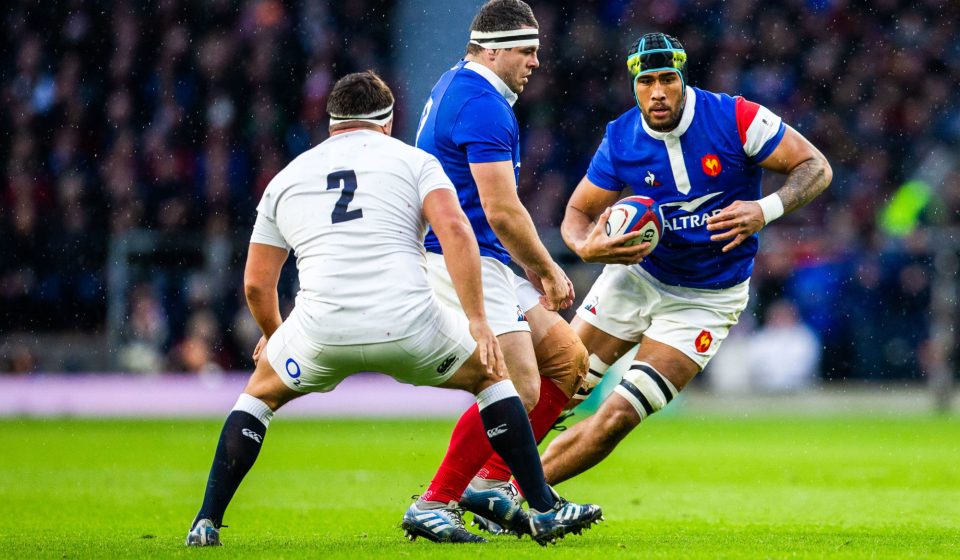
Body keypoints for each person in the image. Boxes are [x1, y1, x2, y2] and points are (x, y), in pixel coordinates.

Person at [184, 71, 592, 547]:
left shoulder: (286, 177)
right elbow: (457, 234)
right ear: (389, 120)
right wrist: (478, 322)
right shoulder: (415, 162)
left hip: (321, 330)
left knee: (257, 399)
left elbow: (257, 283)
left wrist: (276, 336)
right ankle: (540, 507)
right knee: (496, 382)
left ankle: (206, 520)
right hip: (408, 326)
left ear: (331, 121)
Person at [469, 32, 833, 532]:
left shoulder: (736, 118)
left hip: (707, 300)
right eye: (646, 82)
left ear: (683, 81)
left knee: (617, 417)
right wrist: (587, 248)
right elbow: (577, 213)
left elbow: (816, 165)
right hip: (635, 279)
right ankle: (464, 490)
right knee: (557, 388)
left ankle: (509, 498)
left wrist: (764, 209)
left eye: (667, 79)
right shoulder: (621, 138)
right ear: (634, 86)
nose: (657, 91)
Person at [401, 0, 600, 542]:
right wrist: (546, 268)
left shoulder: (456, 85)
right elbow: (501, 210)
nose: (535, 62)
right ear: (492, 49)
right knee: (520, 389)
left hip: (481, 254)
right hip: (464, 258)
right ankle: (436, 499)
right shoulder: (483, 104)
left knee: (568, 361)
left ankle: (492, 484)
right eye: (526, 51)